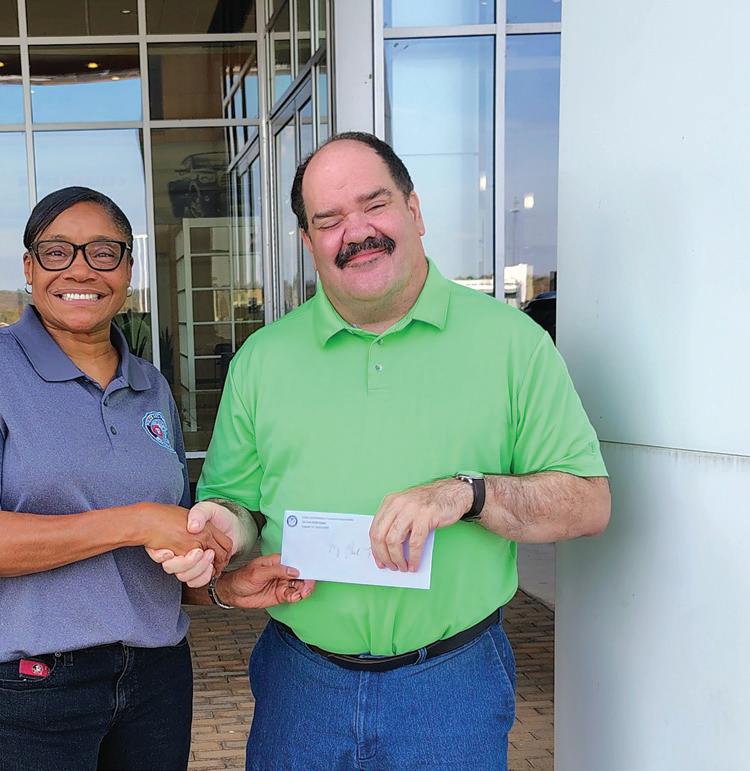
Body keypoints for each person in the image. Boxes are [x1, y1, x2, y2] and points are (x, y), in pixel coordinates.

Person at [154, 133, 611, 770]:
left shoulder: (512, 343)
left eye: (374, 205)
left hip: (450, 687)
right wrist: (222, 530)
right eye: (329, 220)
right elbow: (240, 507)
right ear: (309, 242)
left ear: (414, 210)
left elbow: (588, 504)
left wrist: (467, 493)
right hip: (301, 686)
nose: (357, 232)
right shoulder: (262, 360)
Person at [0, 186, 310, 771]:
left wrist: (225, 585)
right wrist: (137, 521)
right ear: (29, 268)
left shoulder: (150, 385)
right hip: (37, 681)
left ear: (127, 270)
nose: (80, 269)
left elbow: (161, 555)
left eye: (103, 252)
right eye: (57, 252)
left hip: (157, 674)